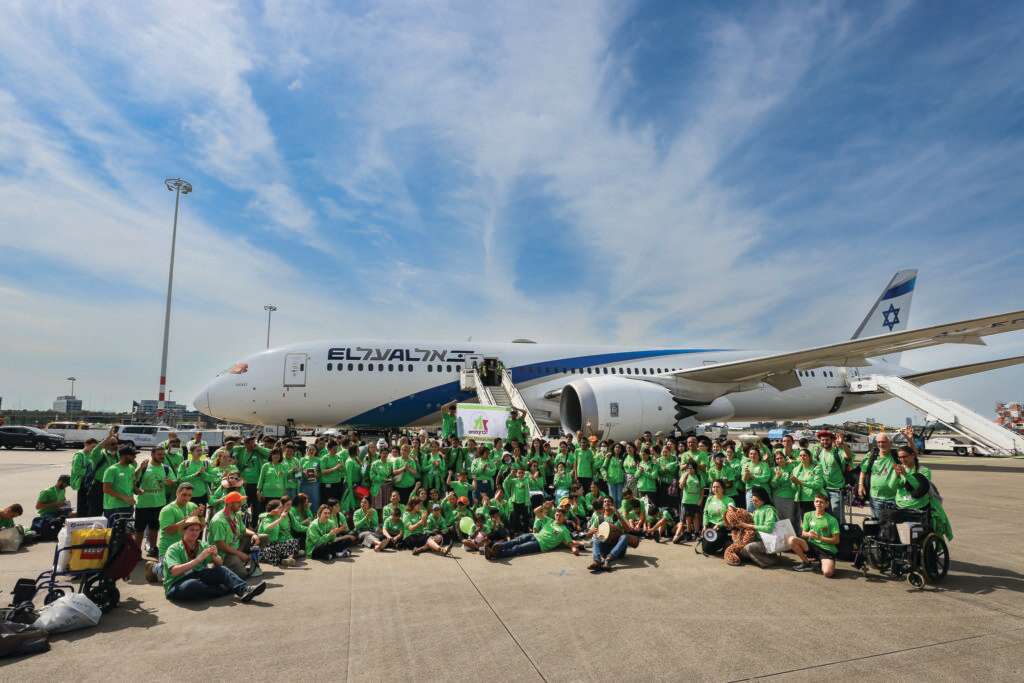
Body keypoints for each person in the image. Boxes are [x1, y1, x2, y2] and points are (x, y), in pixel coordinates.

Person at [163, 516, 267, 603]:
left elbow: (220, 563)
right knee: (192, 585)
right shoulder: (174, 548)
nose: (194, 533)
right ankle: (227, 589)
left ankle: (244, 589)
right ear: (184, 531)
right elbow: (174, 571)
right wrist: (199, 559)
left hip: (198, 575)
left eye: (197, 530)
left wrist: (215, 556)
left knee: (222, 570)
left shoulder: (202, 545)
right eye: (191, 530)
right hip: (177, 582)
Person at [486, 508, 585, 560]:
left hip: (540, 544)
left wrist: (575, 549)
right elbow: (536, 511)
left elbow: (570, 543)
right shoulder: (549, 520)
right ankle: (496, 548)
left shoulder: (564, 530)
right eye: (557, 514)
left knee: (518, 548)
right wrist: (544, 506)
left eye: (560, 515)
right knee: (515, 541)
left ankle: (496, 554)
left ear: (564, 517)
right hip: (534, 535)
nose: (558, 516)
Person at [209, 491, 263, 578]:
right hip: (225, 553)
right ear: (230, 504)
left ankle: (251, 562)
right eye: (238, 502)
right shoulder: (218, 521)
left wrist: (254, 534)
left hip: (236, 545)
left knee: (262, 537)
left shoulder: (236, 514)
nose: (241, 504)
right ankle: (220, 566)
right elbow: (221, 545)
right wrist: (239, 554)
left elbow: (243, 530)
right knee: (243, 574)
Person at [134, 448, 176, 558]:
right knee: (139, 530)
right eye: (159, 454)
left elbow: (173, 482)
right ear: (152, 454)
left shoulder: (166, 468)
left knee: (154, 528)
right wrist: (139, 469)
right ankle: (136, 551)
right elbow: (133, 480)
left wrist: (170, 482)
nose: (162, 456)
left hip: (159, 504)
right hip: (143, 504)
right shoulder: (145, 467)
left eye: (163, 454)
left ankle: (153, 548)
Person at [788, 492, 839, 576]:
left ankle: (823, 562)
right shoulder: (808, 515)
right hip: (812, 545)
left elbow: (836, 540)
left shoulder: (832, 520)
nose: (818, 504)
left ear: (827, 504)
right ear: (814, 503)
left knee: (828, 573)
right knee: (791, 540)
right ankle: (806, 563)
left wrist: (820, 538)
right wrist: (809, 534)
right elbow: (803, 533)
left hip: (826, 549)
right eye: (817, 501)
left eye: (821, 502)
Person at [813, 431, 852, 522]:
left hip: (836, 491)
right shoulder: (820, 452)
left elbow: (848, 457)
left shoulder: (837, 452)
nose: (824, 442)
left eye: (827, 440)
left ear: (832, 440)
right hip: (824, 490)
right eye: (822, 440)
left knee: (837, 517)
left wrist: (843, 444)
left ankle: (841, 535)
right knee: (826, 517)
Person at [859, 433, 899, 520]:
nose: (881, 444)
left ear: (890, 443)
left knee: (890, 526)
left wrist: (910, 440)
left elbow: (913, 455)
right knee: (877, 524)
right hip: (875, 498)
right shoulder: (871, 456)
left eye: (884, 442)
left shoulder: (896, 456)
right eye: (879, 442)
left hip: (893, 498)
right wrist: (860, 485)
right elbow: (863, 471)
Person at [588, 498, 632, 571]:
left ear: (612, 504)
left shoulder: (618, 516)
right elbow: (588, 535)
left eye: (609, 501)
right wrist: (591, 532)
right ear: (603, 505)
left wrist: (618, 515)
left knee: (625, 536)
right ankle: (597, 561)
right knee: (596, 537)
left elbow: (628, 529)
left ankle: (608, 560)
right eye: (605, 501)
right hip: (605, 549)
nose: (606, 502)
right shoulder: (599, 518)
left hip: (618, 550)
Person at [102, 445, 138, 524]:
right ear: (124, 456)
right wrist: (125, 498)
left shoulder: (131, 468)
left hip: (128, 506)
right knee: (113, 533)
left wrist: (137, 490)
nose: (135, 457)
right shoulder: (112, 470)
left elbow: (131, 484)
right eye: (132, 455)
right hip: (114, 507)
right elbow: (106, 489)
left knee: (126, 532)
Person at [256, 500, 299, 567]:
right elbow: (267, 528)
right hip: (265, 547)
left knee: (294, 542)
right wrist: (279, 518)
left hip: (275, 544)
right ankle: (282, 560)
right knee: (273, 553)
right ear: (274, 510)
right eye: (280, 507)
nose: (282, 509)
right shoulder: (266, 518)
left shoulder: (276, 516)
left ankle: (288, 559)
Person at [678, 459, 703, 542]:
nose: (689, 469)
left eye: (691, 468)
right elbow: (681, 487)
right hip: (686, 500)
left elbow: (702, 489)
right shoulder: (684, 475)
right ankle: (688, 532)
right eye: (688, 468)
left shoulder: (699, 476)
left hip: (696, 500)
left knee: (696, 516)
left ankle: (696, 533)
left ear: (695, 468)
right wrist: (685, 477)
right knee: (688, 517)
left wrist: (700, 499)